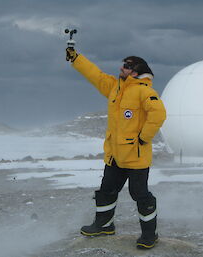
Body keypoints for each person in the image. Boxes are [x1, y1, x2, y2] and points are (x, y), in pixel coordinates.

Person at [66, 47, 166, 249]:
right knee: (106, 191)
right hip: (115, 155)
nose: (122, 67)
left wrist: (144, 138)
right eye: (124, 64)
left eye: (127, 66)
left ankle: (149, 235)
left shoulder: (145, 91)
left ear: (136, 71)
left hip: (136, 157)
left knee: (140, 195)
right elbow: (95, 74)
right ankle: (104, 226)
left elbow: (159, 114)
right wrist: (76, 59)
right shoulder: (115, 87)